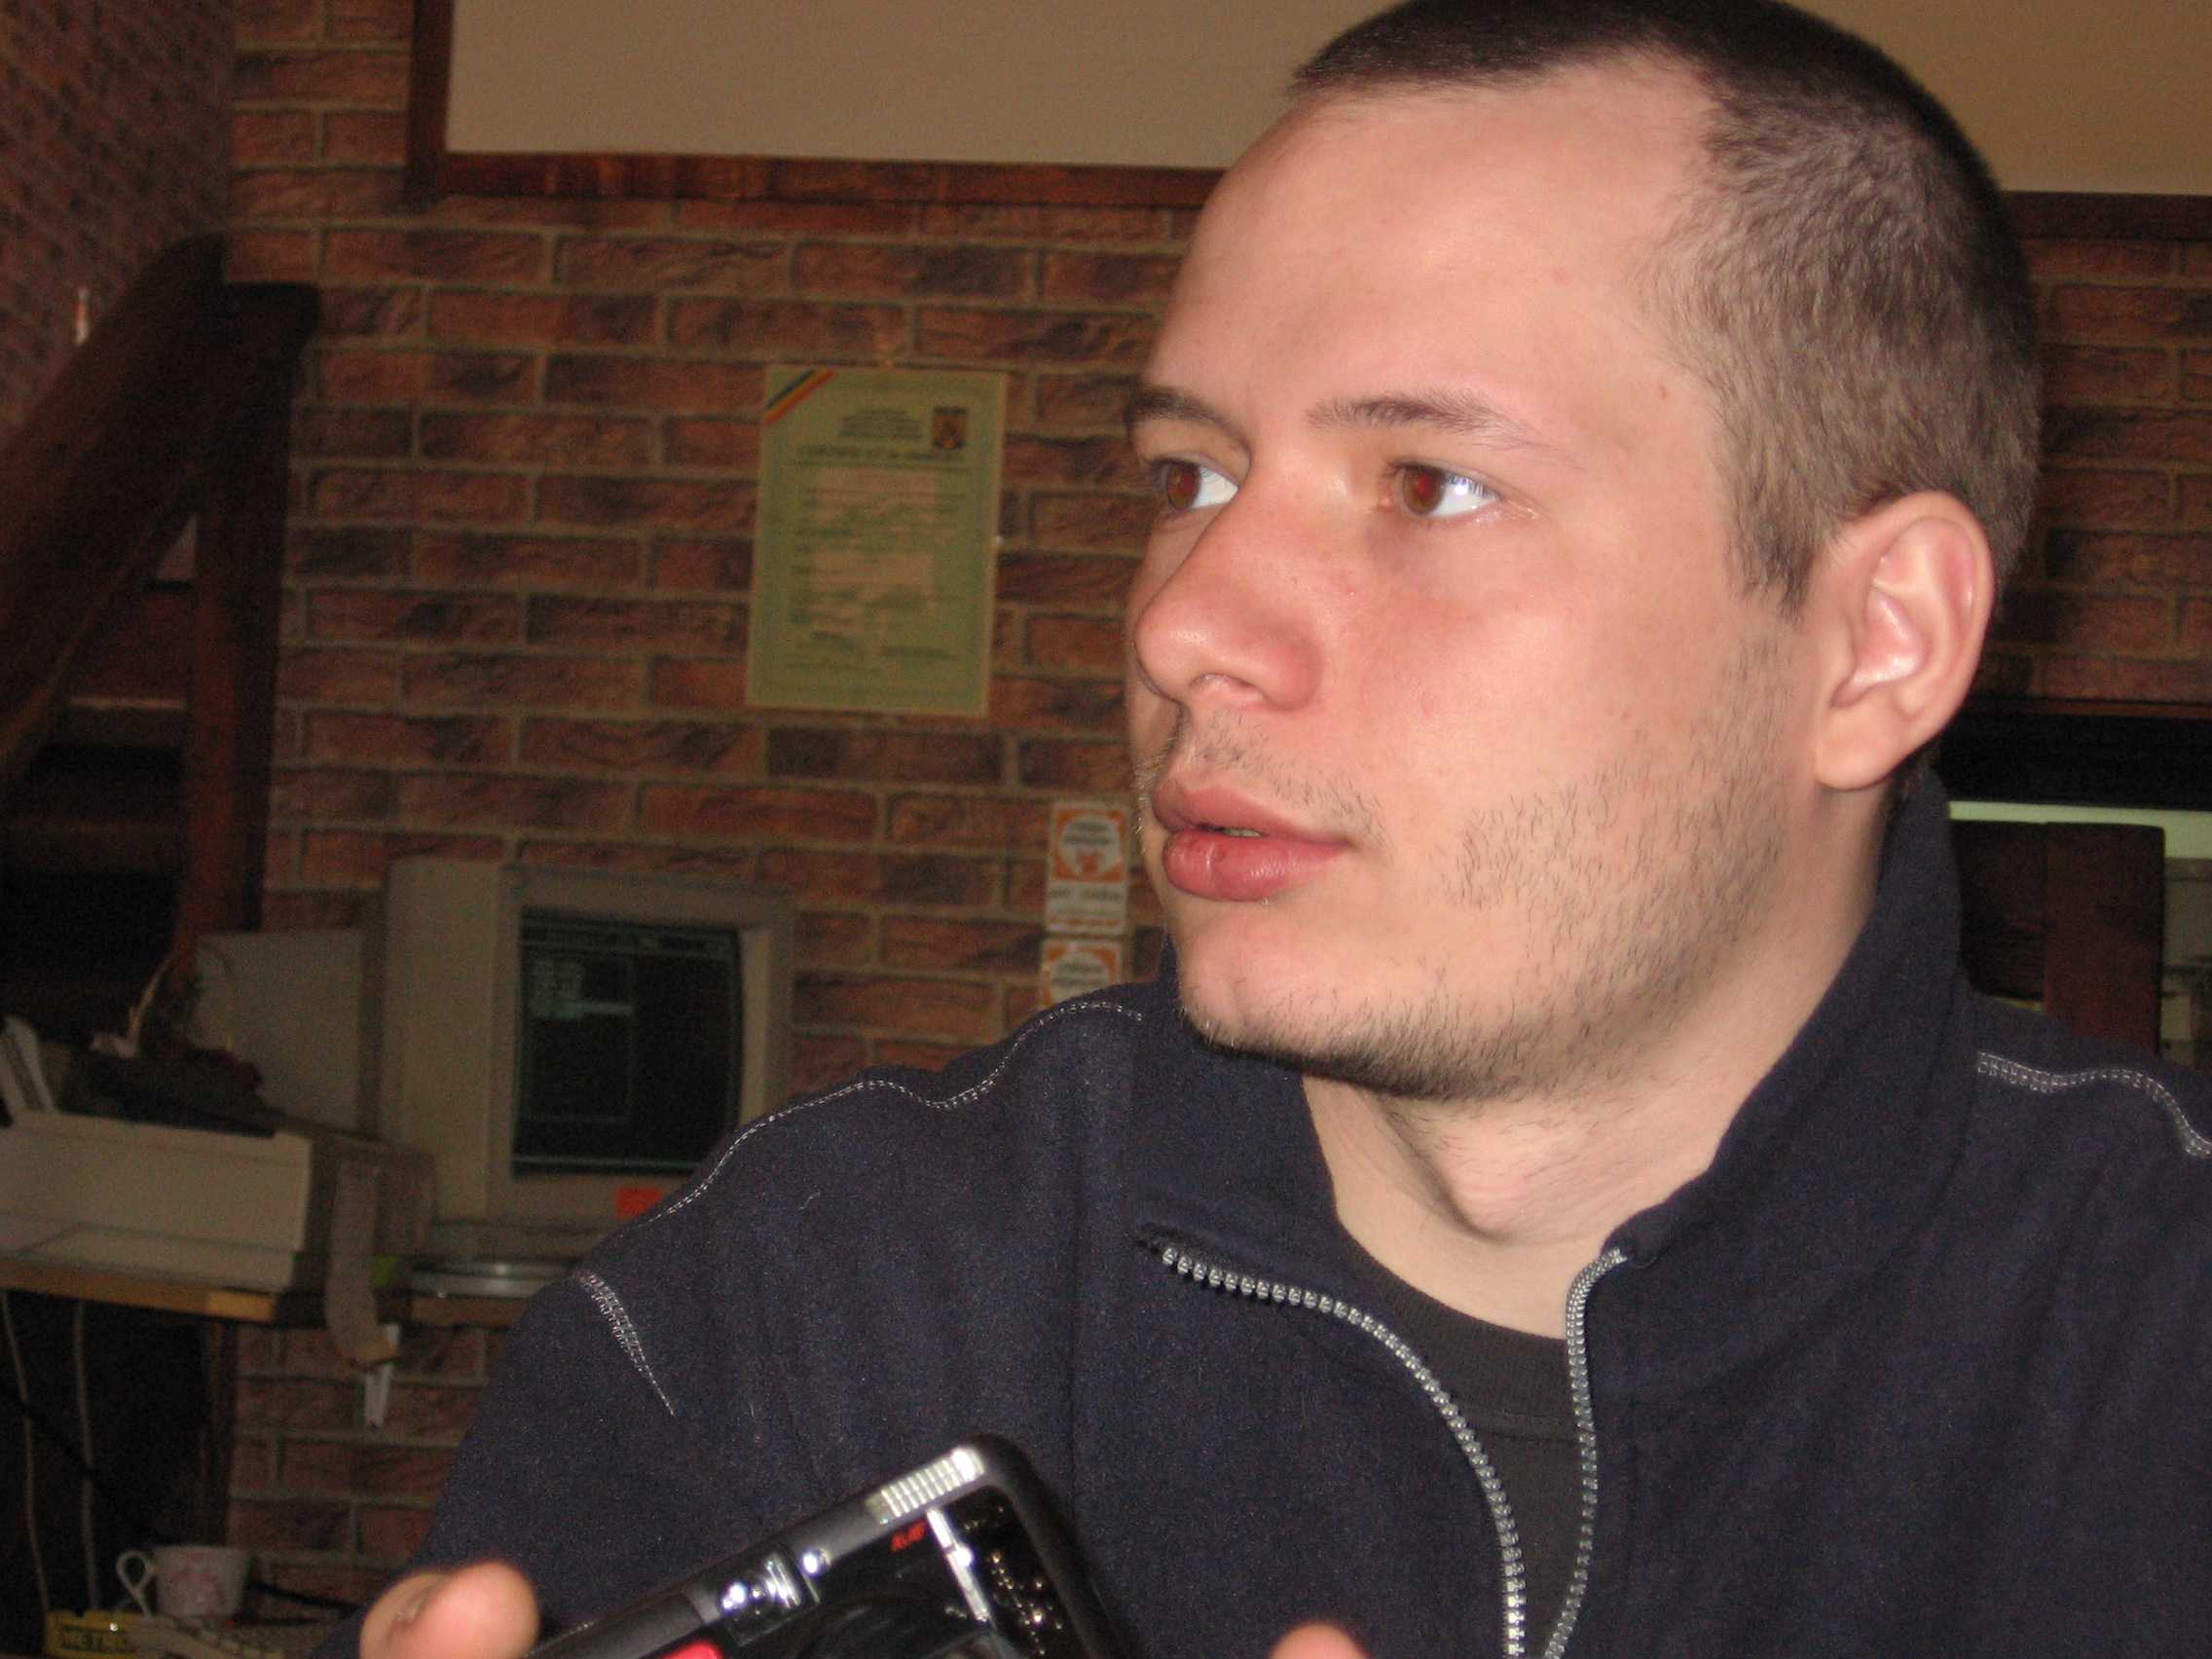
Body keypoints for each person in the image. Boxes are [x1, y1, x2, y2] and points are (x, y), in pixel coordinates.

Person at [341, 2, 2212, 1656]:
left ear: (1877, 641)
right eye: (1192, 473)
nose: (1182, 623)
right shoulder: (809, 1300)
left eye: (1430, 485)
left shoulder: (2160, 1341)